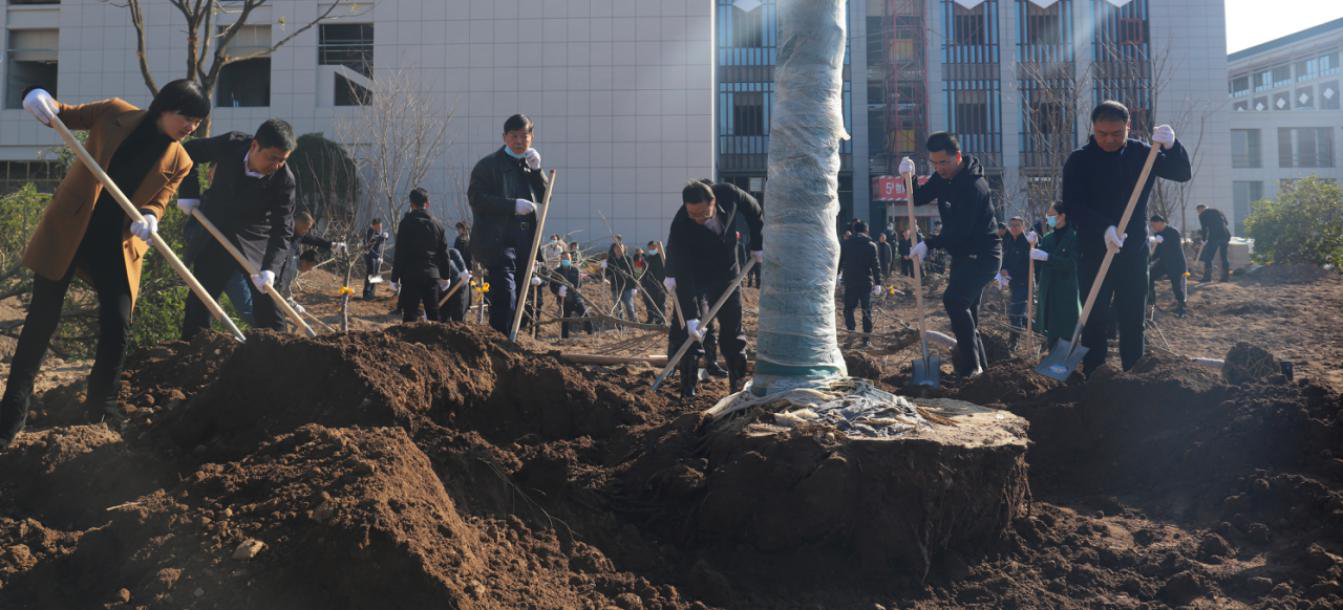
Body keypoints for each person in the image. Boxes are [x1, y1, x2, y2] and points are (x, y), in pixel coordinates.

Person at [0, 81, 207, 443]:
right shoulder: (114, 113)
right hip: (71, 229)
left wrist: (151, 216)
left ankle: (102, 410)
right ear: (164, 107)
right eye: (186, 117)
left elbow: (159, 199)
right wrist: (37, 97)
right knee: (41, 321)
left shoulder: (181, 160)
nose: (191, 127)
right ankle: (11, 413)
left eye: (198, 122)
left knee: (117, 323)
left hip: (118, 243)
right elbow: (61, 115)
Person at [1061, 100, 1191, 375]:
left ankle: (1134, 375)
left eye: (1116, 133)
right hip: (1093, 250)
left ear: (1128, 128)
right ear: (1093, 129)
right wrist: (1104, 229)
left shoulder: (1143, 153)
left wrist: (1172, 145)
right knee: (1094, 317)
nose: (1109, 139)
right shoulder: (1079, 160)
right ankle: (1094, 375)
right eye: (1102, 134)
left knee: (1133, 318)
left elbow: (1181, 173)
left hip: (1133, 251)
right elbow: (1073, 205)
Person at [179, 118, 298, 340]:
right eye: (272, 158)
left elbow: (283, 229)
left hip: (255, 242)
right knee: (201, 301)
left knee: (268, 307)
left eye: (282, 160)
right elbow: (189, 151)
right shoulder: (230, 144)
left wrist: (270, 268)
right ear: (254, 146)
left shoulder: (284, 180)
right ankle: (192, 354)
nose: (276, 165)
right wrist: (189, 193)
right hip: (214, 230)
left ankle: (277, 355)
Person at [902, 132, 1002, 379]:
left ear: (957, 157)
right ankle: (982, 373)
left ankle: (970, 369)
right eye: (934, 163)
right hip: (962, 255)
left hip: (983, 255)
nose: (939, 168)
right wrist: (909, 177)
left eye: (943, 162)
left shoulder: (973, 186)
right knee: (968, 315)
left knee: (955, 301)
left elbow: (960, 230)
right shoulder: (941, 178)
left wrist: (929, 243)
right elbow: (918, 199)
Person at [665, 180, 763, 397]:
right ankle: (688, 387)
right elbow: (683, 271)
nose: (698, 219)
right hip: (696, 274)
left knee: (732, 329)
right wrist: (691, 317)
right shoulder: (682, 224)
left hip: (728, 272)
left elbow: (754, 210)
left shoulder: (729, 194)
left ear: (713, 201)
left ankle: (737, 384)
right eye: (693, 215)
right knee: (690, 332)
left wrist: (757, 244)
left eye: (702, 213)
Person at [467, 114, 549, 336]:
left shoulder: (529, 166)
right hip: (498, 242)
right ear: (505, 138)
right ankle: (500, 341)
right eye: (514, 136)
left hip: (525, 243)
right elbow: (476, 198)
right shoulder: (488, 166)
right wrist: (511, 206)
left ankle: (512, 342)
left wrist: (538, 172)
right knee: (505, 294)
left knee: (524, 297)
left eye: (525, 136)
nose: (520, 141)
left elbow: (546, 199)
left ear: (531, 137)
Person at [389, 188, 454, 323]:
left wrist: (394, 278)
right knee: (433, 315)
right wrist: (446, 276)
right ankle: (435, 342)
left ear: (411, 204)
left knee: (410, 316)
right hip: (432, 275)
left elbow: (400, 252)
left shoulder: (405, 224)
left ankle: (408, 343)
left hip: (410, 276)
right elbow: (444, 253)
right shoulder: (437, 224)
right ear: (427, 203)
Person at [1033, 202, 1080, 350]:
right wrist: (1031, 246)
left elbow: (1072, 264)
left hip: (1066, 290)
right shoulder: (1047, 238)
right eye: (1048, 216)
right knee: (1051, 329)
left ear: (1062, 216)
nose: (1049, 218)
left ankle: (1067, 363)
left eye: (1052, 215)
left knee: (1067, 328)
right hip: (1049, 289)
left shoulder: (1074, 237)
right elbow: (1037, 261)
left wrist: (1049, 258)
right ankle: (1053, 361)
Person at [277, 210, 342, 298]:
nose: (306, 231)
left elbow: (314, 240)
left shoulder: (299, 234)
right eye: (305, 228)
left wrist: (332, 245)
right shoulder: (282, 231)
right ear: (297, 223)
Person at [838, 220, 883, 345]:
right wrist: (878, 283)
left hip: (850, 281)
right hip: (865, 283)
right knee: (866, 310)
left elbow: (839, 262)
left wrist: (837, 275)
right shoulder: (871, 245)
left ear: (853, 230)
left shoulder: (845, 244)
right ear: (866, 230)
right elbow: (875, 266)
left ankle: (851, 332)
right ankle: (866, 339)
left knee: (848, 309)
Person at [1000, 216, 1035, 349]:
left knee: (1015, 313)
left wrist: (1011, 273)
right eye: (1012, 225)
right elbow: (1006, 259)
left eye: (1017, 225)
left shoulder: (1027, 243)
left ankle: (1014, 342)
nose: (1014, 228)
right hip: (1011, 283)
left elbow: (1027, 266)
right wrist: (1003, 268)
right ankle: (1041, 330)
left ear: (1023, 227)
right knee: (1018, 313)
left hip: (1024, 283)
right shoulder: (1008, 241)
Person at [1147, 214, 1188, 317]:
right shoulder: (1158, 234)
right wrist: (1149, 259)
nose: (1153, 227)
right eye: (1151, 225)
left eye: (1154, 225)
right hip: (1163, 263)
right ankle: (1151, 303)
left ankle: (1181, 306)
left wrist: (1163, 241)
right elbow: (1158, 252)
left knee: (1176, 286)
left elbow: (1176, 248)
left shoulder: (1173, 232)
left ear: (1160, 222)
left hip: (1175, 263)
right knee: (1149, 276)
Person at [550, 251, 592, 338]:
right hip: (563, 301)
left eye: (568, 259)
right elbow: (552, 286)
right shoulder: (556, 272)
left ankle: (590, 335)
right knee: (565, 320)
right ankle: (564, 339)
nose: (566, 260)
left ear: (571, 259)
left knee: (586, 316)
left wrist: (568, 287)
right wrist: (559, 291)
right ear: (561, 259)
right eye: (564, 258)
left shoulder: (575, 270)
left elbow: (578, 284)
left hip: (576, 299)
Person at [1196, 203, 1231, 282]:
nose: (1199, 213)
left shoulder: (1202, 215)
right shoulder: (1217, 211)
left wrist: (1203, 240)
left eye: (1198, 211)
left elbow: (1204, 229)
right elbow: (1226, 223)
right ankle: (1225, 277)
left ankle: (1207, 278)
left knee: (1208, 257)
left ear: (1200, 209)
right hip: (1225, 235)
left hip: (1214, 237)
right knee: (1224, 257)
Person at [604, 241, 637, 323]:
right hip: (615, 286)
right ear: (614, 249)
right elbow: (607, 273)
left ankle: (633, 321)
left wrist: (634, 286)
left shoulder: (627, 259)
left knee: (629, 305)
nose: (618, 249)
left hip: (627, 286)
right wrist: (604, 267)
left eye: (620, 248)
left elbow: (632, 272)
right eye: (617, 248)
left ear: (623, 249)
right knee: (617, 306)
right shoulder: (611, 260)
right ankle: (620, 322)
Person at [437, 247, 472, 323]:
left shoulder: (441, 256)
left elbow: (453, 251)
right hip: (443, 293)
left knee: (458, 320)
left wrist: (463, 270)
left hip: (459, 287)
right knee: (442, 321)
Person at [640, 241, 668, 324]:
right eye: (650, 248)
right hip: (649, 285)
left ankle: (660, 319)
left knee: (660, 303)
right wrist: (643, 284)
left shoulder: (661, 258)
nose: (651, 249)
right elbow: (644, 272)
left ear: (657, 248)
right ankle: (650, 319)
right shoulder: (648, 258)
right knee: (649, 303)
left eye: (653, 247)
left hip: (660, 285)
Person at [363, 218, 389, 300]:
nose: (380, 229)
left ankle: (371, 292)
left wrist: (385, 236)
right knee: (370, 273)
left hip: (376, 256)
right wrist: (377, 257)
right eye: (378, 227)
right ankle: (366, 293)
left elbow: (379, 239)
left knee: (376, 273)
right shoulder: (369, 233)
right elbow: (368, 248)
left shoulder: (377, 232)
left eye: (381, 227)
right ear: (374, 226)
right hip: (369, 255)